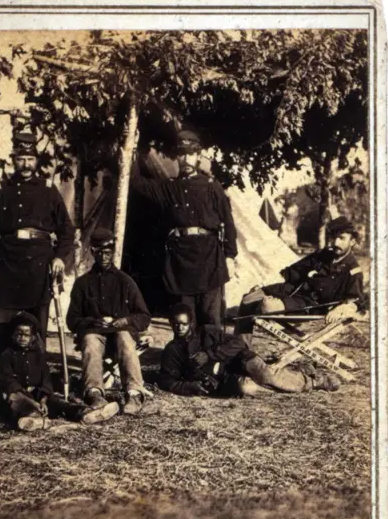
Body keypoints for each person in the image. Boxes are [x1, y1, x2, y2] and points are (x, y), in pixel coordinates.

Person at [130, 128, 237, 328]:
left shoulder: (211, 186)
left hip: (209, 260)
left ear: (198, 156)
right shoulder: (169, 188)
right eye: (181, 154)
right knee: (184, 319)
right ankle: (187, 358)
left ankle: (213, 358)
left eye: (191, 154)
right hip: (180, 263)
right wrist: (133, 148)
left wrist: (230, 256)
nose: (186, 159)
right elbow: (136, 182)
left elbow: (228, 222)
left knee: (211, 318)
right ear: (176, 157)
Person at [0, 130, 74, 352]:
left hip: (39, 265)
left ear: (36, 161)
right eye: (21, 159)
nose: (26, 164)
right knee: (3, 324)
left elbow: (67, 230)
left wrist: (59, 257)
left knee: (37, 323)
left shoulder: (48, 190)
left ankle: (38, 376)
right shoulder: (1, 191)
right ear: (14, 160)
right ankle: (5, 376)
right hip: (8, 265)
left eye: (30, 159)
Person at [159, 303, 340, 397]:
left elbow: (238, 343)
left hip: (239, 360)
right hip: (222, 379)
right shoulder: (172, 350)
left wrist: (209, 354)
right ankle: (292, 378)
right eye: (175, 324)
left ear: (191, 323)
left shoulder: (207, 331)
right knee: (248, 389)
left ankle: (314, 381)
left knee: (265, 375)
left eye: (184, 324)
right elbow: (167, 380)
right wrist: (188, 386)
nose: (180, 328)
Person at [235, 216, 364, 340]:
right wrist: (265, 284)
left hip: (309, 305)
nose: (336, 242)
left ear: (352, 241)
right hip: (293, 289)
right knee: (248, 299)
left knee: (267, 306)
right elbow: (292, 272)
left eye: (342, 238)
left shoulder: (353, 271)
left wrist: (341, 309)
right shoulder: (323, 254)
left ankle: (245, 355)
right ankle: (241, 351)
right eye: (333, 237)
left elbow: (355, 300)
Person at [66, 228, 151, 415]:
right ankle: (94, 393)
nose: (104, 256)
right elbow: (72, 320)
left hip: (120, 336)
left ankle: (134, 394)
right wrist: (92, 322)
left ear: (113, 252)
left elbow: (144, 317)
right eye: (99, 252)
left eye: (108, 252)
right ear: (92, 252)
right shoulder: (82, 283)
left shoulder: (125, 282)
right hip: (96, 335)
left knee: (125, 337)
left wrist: (124, 321)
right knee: (90, 340)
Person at [0, 312, 120, 432]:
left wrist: (44, 398)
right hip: (19, 395)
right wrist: (33, 402)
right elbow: (9, 382)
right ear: (12, 335)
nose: (22, 338)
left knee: (58, 403)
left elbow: (45, 378)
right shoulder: (6, 356)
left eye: (26, 335)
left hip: (37, 394)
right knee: (21, 404)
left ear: (33, 337)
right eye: (19, 334)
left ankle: (85, 413)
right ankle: (33, 419)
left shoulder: (38, 356)